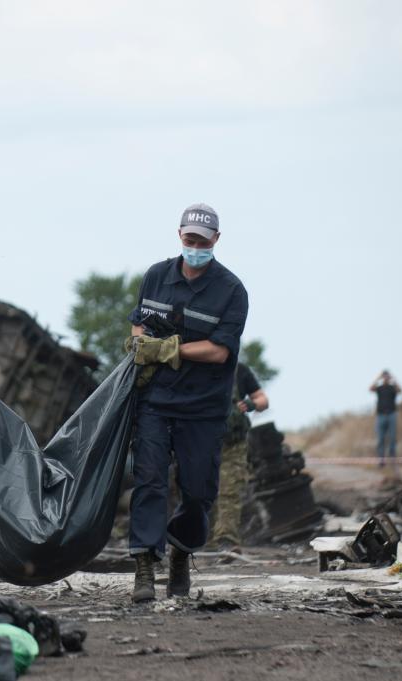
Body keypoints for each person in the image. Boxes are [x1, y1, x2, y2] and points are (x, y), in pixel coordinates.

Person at [125, 202, 248, 603]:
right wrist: (141, 343)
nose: (195, 246)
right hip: (156, 401)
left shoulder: (231, 291)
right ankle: (145, 565)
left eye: (202, 240)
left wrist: (169, 349)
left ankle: (180, 551)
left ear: (215, 240)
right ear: (180, 235)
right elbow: (138, 323)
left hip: (203, 407)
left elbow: (219, 352)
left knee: (198, 493)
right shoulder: (156, 276)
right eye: (189, 238)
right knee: (149, 481)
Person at [207, 362, 269, 551]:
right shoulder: (194, 366)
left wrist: (251, 404)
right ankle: (201, 539)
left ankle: (226, 540)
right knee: (199, 490)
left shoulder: (239, 370)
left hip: (232, 442)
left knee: (230, 491)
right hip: (200, 441)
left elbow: (263, 400)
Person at [370, 370, 401, 466]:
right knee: (380, 439)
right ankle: (381, 460)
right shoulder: (379, 388)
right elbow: (370, 388)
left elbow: (400, 390)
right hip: (380, 415)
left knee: (392, 438)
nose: (385, 378)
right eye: (384, 376)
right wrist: (378, 378)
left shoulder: (392, 388)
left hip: (391, 414)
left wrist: (394, 379)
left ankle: (392, 460)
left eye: (387, 376)